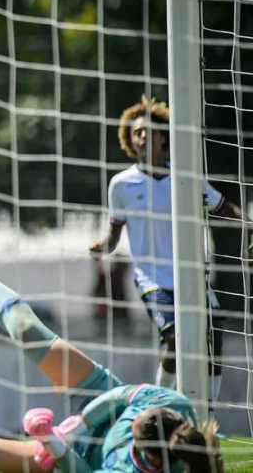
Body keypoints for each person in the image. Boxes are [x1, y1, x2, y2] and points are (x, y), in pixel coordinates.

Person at [0, 241, 223, 473]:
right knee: (28, 331)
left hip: (79, 459)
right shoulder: (171, 404)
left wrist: (54, 443)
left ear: (148, 456)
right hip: (100, 399)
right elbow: (121, 396)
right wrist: (80, 424)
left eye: (131, 432)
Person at [89, 96, 252, 404]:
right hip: (153, 279)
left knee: (214, 338)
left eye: (148, 131)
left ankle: (209, 412)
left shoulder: (186, 177)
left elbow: (222, 206)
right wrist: (102, 247)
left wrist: (250, 223)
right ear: (130, 140)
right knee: (176, 340)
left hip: (191, 277)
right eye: (136, 132)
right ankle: (158, 403)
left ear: (163, 136)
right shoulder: (121, 184)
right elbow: (114, 234)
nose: (142, 137)